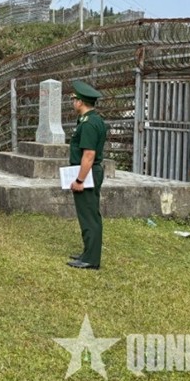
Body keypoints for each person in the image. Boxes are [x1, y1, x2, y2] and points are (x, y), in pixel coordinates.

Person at [67, 80, 108, 270]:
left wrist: (79, 180)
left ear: (80, 102)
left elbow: (89, 155)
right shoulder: (92, 120)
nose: (72, 102)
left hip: (87, 174)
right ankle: (88, 252)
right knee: (87, 214)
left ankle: (91, 259)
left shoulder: (89, 124)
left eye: (74, 99)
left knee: (89, 215)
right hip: (89, 172)